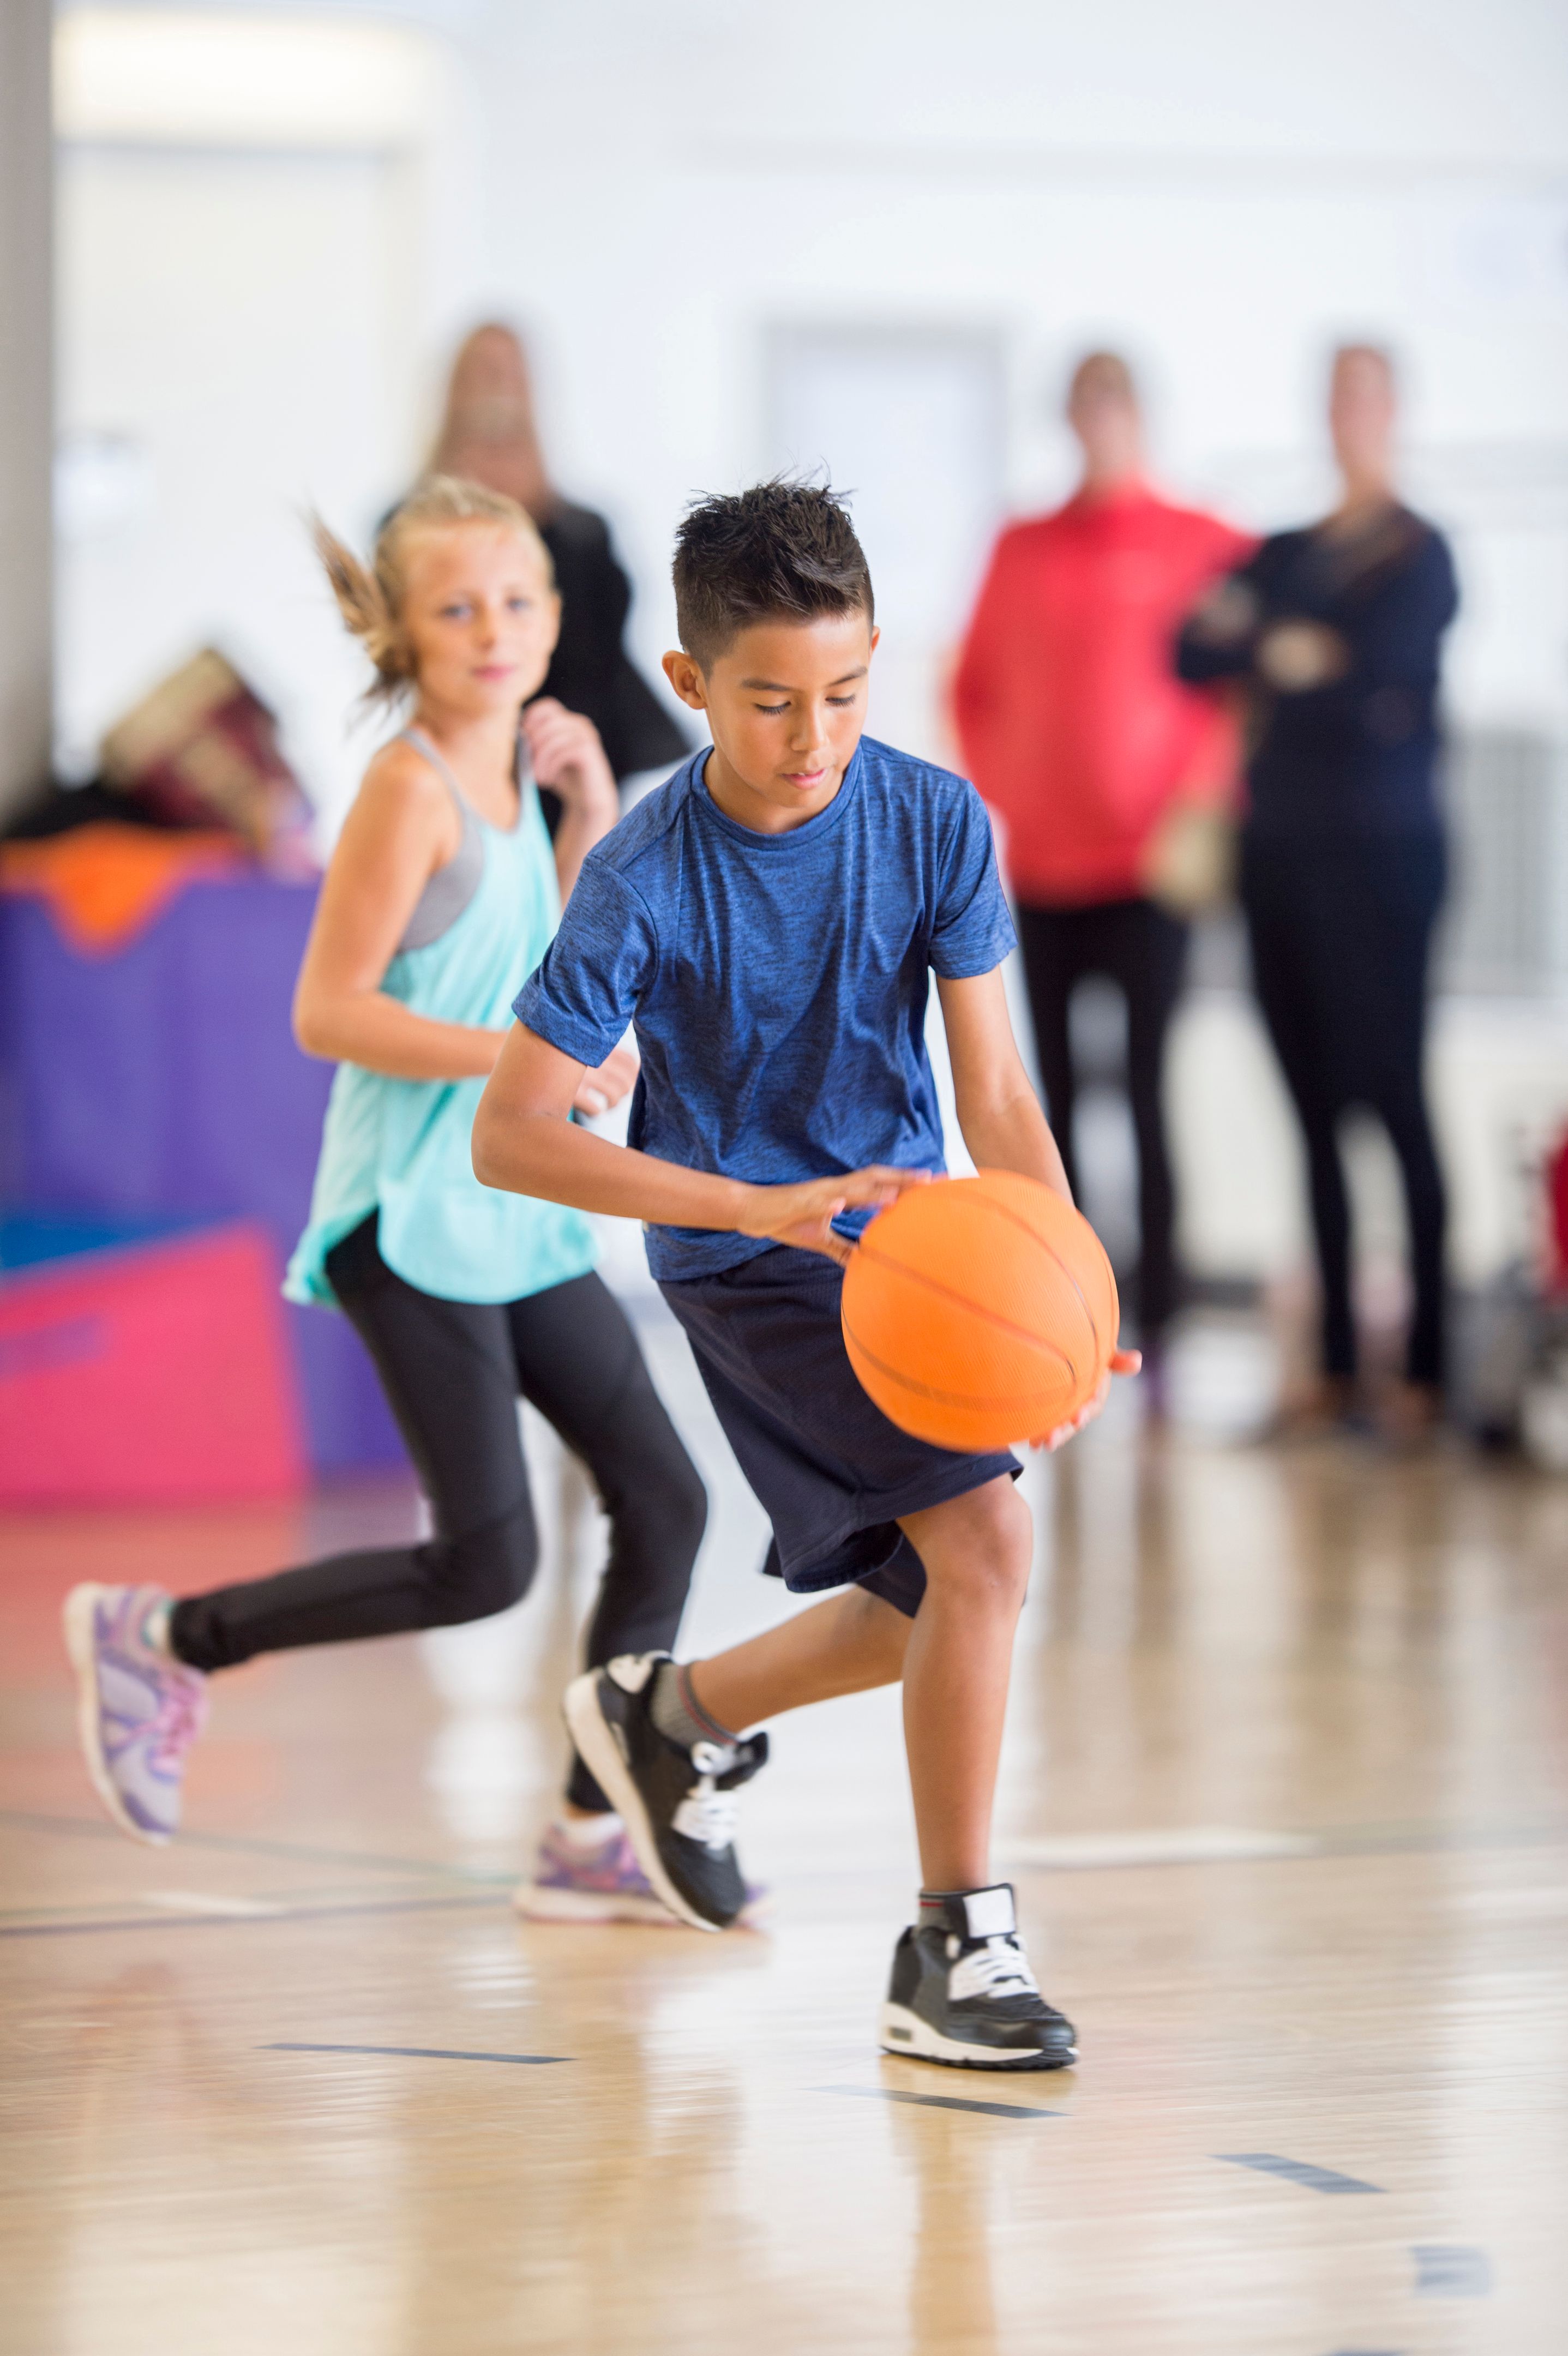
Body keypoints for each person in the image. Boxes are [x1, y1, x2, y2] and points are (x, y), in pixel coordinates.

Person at [472, 480, 1139, 2070]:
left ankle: (671, 1715)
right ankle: (952, 1947)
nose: (813, 735)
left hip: (913, 1255)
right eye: (771, 701)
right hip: (743, 1258)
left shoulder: (936, 824)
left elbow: (995, 1100)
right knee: (982, 1542)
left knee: (936, 1593)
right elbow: (513, 1135)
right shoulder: (641, 875)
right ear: (692, 682)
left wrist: (1067, 1295)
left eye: (843, 694)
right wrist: (764, 1214)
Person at [63, 477, 712, 1924]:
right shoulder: (408, 791)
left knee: (663, 1499)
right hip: (405, 1222)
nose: (495, 630)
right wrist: (518, 1059)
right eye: (457, 608)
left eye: (518, 601)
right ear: (402, 634)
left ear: (557, 614)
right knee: (488, 1562)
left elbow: (537, 956)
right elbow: (329, 1011)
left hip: (515, 1208)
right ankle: (167, 1637)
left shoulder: (525, 783)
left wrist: (592, 810)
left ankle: (588, 1832)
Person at [953, 352, 1251, 1399]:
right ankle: (1065, 1307)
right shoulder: (1021, 545)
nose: (1099, 425)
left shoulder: (1202, 542)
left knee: (1151, 1086)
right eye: (1084, 408)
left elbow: (1236, 696)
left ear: (1139, 417)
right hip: (1043, 865)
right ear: (1069, 420)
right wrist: (1013, 798)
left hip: (1150, 870)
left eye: (1115, 406)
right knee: (1055, 1099)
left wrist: (1201, 802)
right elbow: (972, 687)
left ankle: (1161, 1318)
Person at [1176, 345, 1458, 1443]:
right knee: (1308, 1116)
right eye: (1334, 394)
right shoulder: (1285, 550)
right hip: (1278, 859)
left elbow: (1382, 676)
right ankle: (1336, 1371)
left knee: (1394, 1102)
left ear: (1392, 410)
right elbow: (1191, 649)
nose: (1348, 415)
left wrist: (1292, 653)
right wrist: (1289, 652)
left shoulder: (1422, 555)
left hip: (1387, 866)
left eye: (1366, 395)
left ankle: (1425, 1374)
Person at [426, 323, 689, 789]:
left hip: (567, 769)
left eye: (507, 373)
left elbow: (598, 658)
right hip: (453, 765)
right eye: (480, 373)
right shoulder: (408, 530)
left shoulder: (585, 536)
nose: (494, 391)